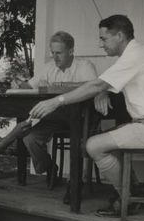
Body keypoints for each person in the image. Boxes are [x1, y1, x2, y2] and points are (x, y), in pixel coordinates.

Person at [29, 15, 144, 217]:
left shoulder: (135, 56)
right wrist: (101, 91)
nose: (100, 44)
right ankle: (132, 191)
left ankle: (127, 199)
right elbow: (105, 85)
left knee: (93, 145)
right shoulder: (135, 55)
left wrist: (55, 101)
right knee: (111, 135)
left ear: (119, 36)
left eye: (104, 39)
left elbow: (97, 85)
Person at [17, 31, 100, 180]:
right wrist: (18, 84)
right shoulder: (49, 67)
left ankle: (74, 184)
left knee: (80, 144)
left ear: (71, 51)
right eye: (53, 52)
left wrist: (58, 87)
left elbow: (93, 86)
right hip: (56, 119)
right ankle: (49, 167)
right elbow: (29, 86)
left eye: (59, 53)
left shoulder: (85, 66)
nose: (55, 57)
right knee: (29, 138)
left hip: (81, 120)